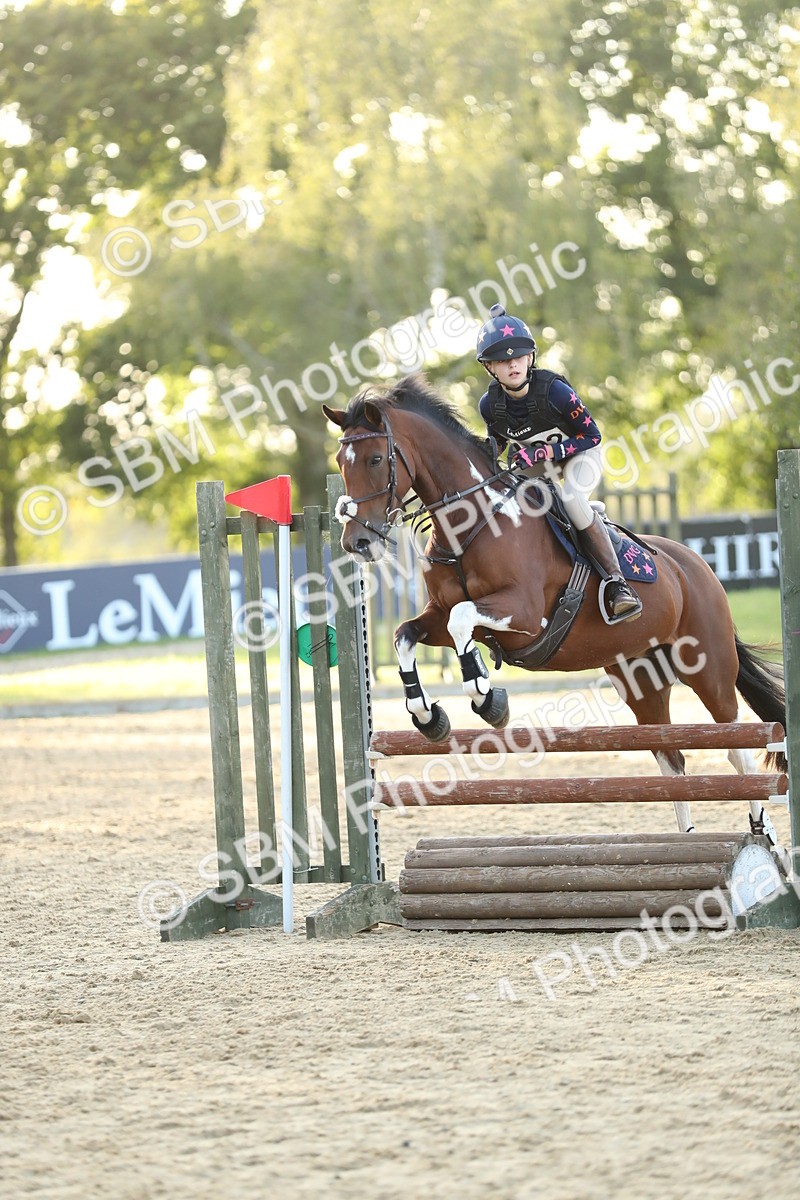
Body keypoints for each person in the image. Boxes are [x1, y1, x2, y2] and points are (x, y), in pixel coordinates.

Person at [476, 303, 642, 624]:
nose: (513, 365)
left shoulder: (555, 392)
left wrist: (541, 453)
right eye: (502, 361)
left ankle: (617, 584)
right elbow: (497, 445)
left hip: (580, 456)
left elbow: (592, 436)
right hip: (540, 464)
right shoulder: (489, 405)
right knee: (507, 502)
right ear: (490, 368)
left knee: (572, 500)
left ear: (530, 359)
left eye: (518, 357)